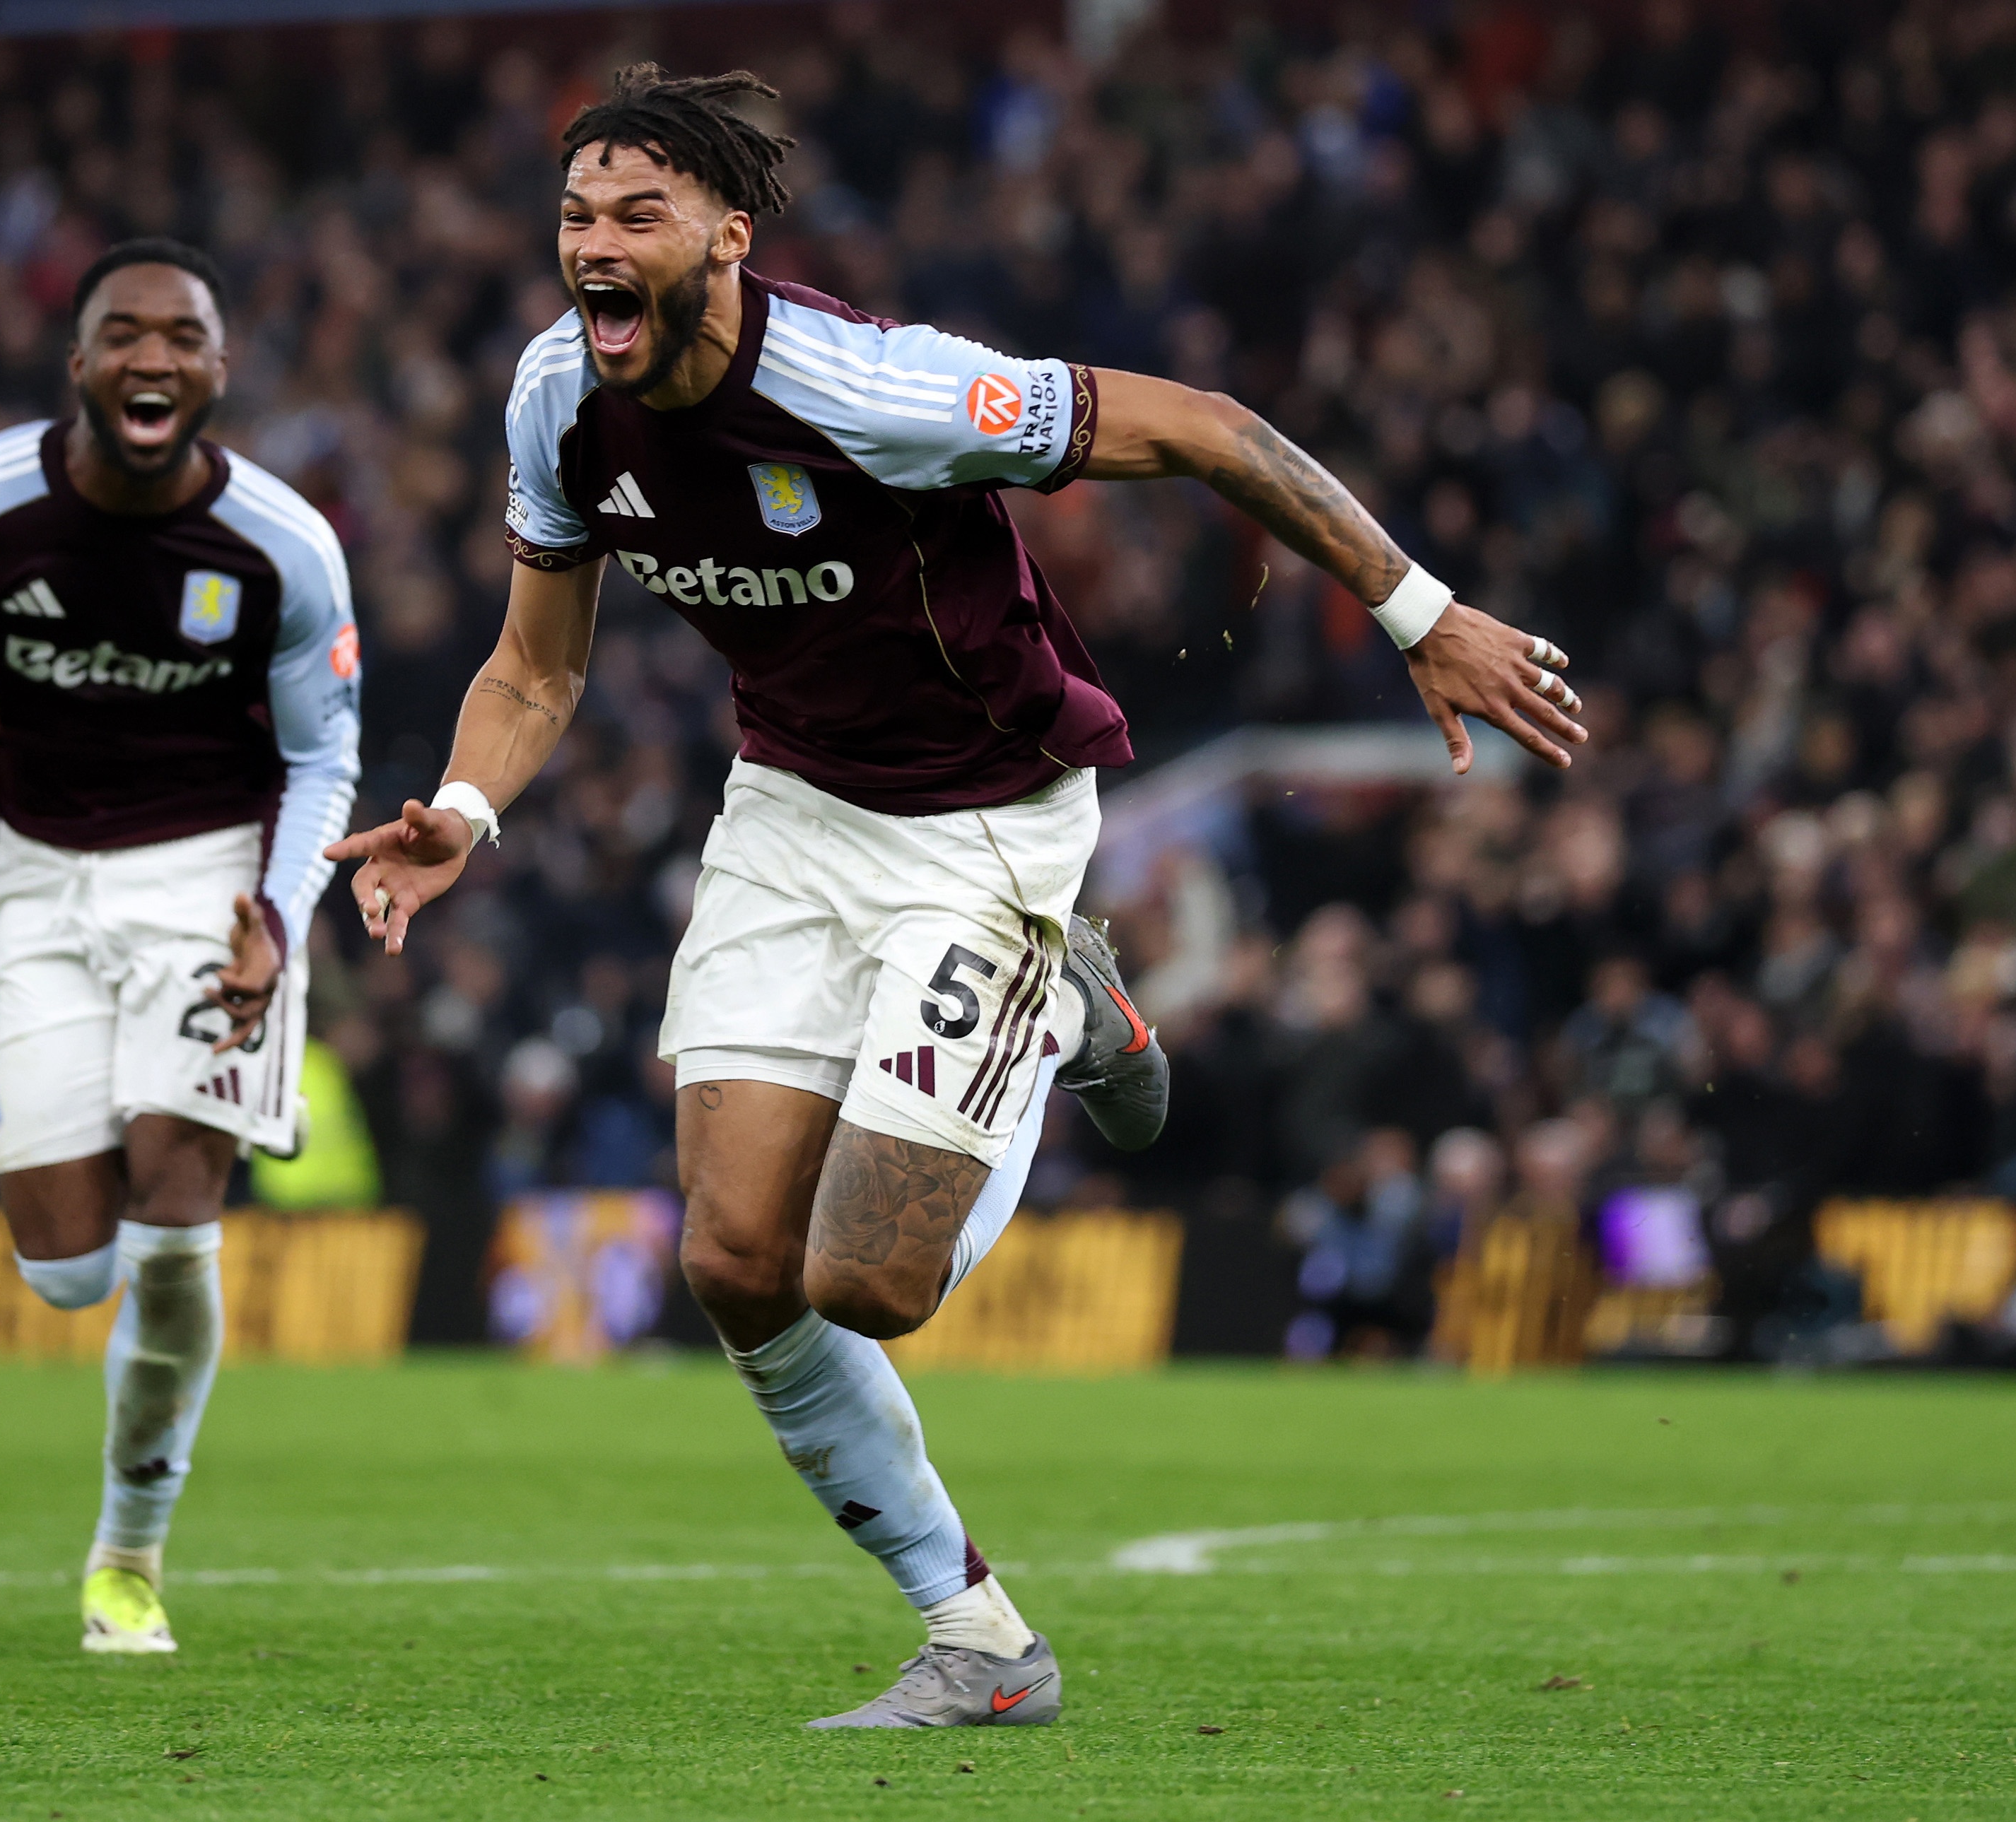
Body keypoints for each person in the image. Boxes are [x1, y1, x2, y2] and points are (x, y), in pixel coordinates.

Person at [330, 67, 1583, 1729]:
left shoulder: (879, 385)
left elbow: (1206, 428)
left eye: (639, 214)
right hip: (788, 810)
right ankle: (980, 1636)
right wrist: (468, 810)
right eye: (576, 215)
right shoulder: (557, 399)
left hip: (984, 821)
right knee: (733, 1259)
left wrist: (1419, 611)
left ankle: (1063, 995)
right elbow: (534, 664)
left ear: (728, 230)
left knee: (869, 1278)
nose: (596, 246)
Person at [0, 238, 361, 1655]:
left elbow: (325, 754)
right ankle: (124, 1474)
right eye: (123, 332)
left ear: (219, 370)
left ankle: (129, 1556)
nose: (152, 356)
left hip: (214, 880)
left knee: (172, 1220)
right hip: (36, 883)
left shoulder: (283, 544)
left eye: (183, 335)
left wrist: (279, 918)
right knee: (66, 1271)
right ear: (80, 363)